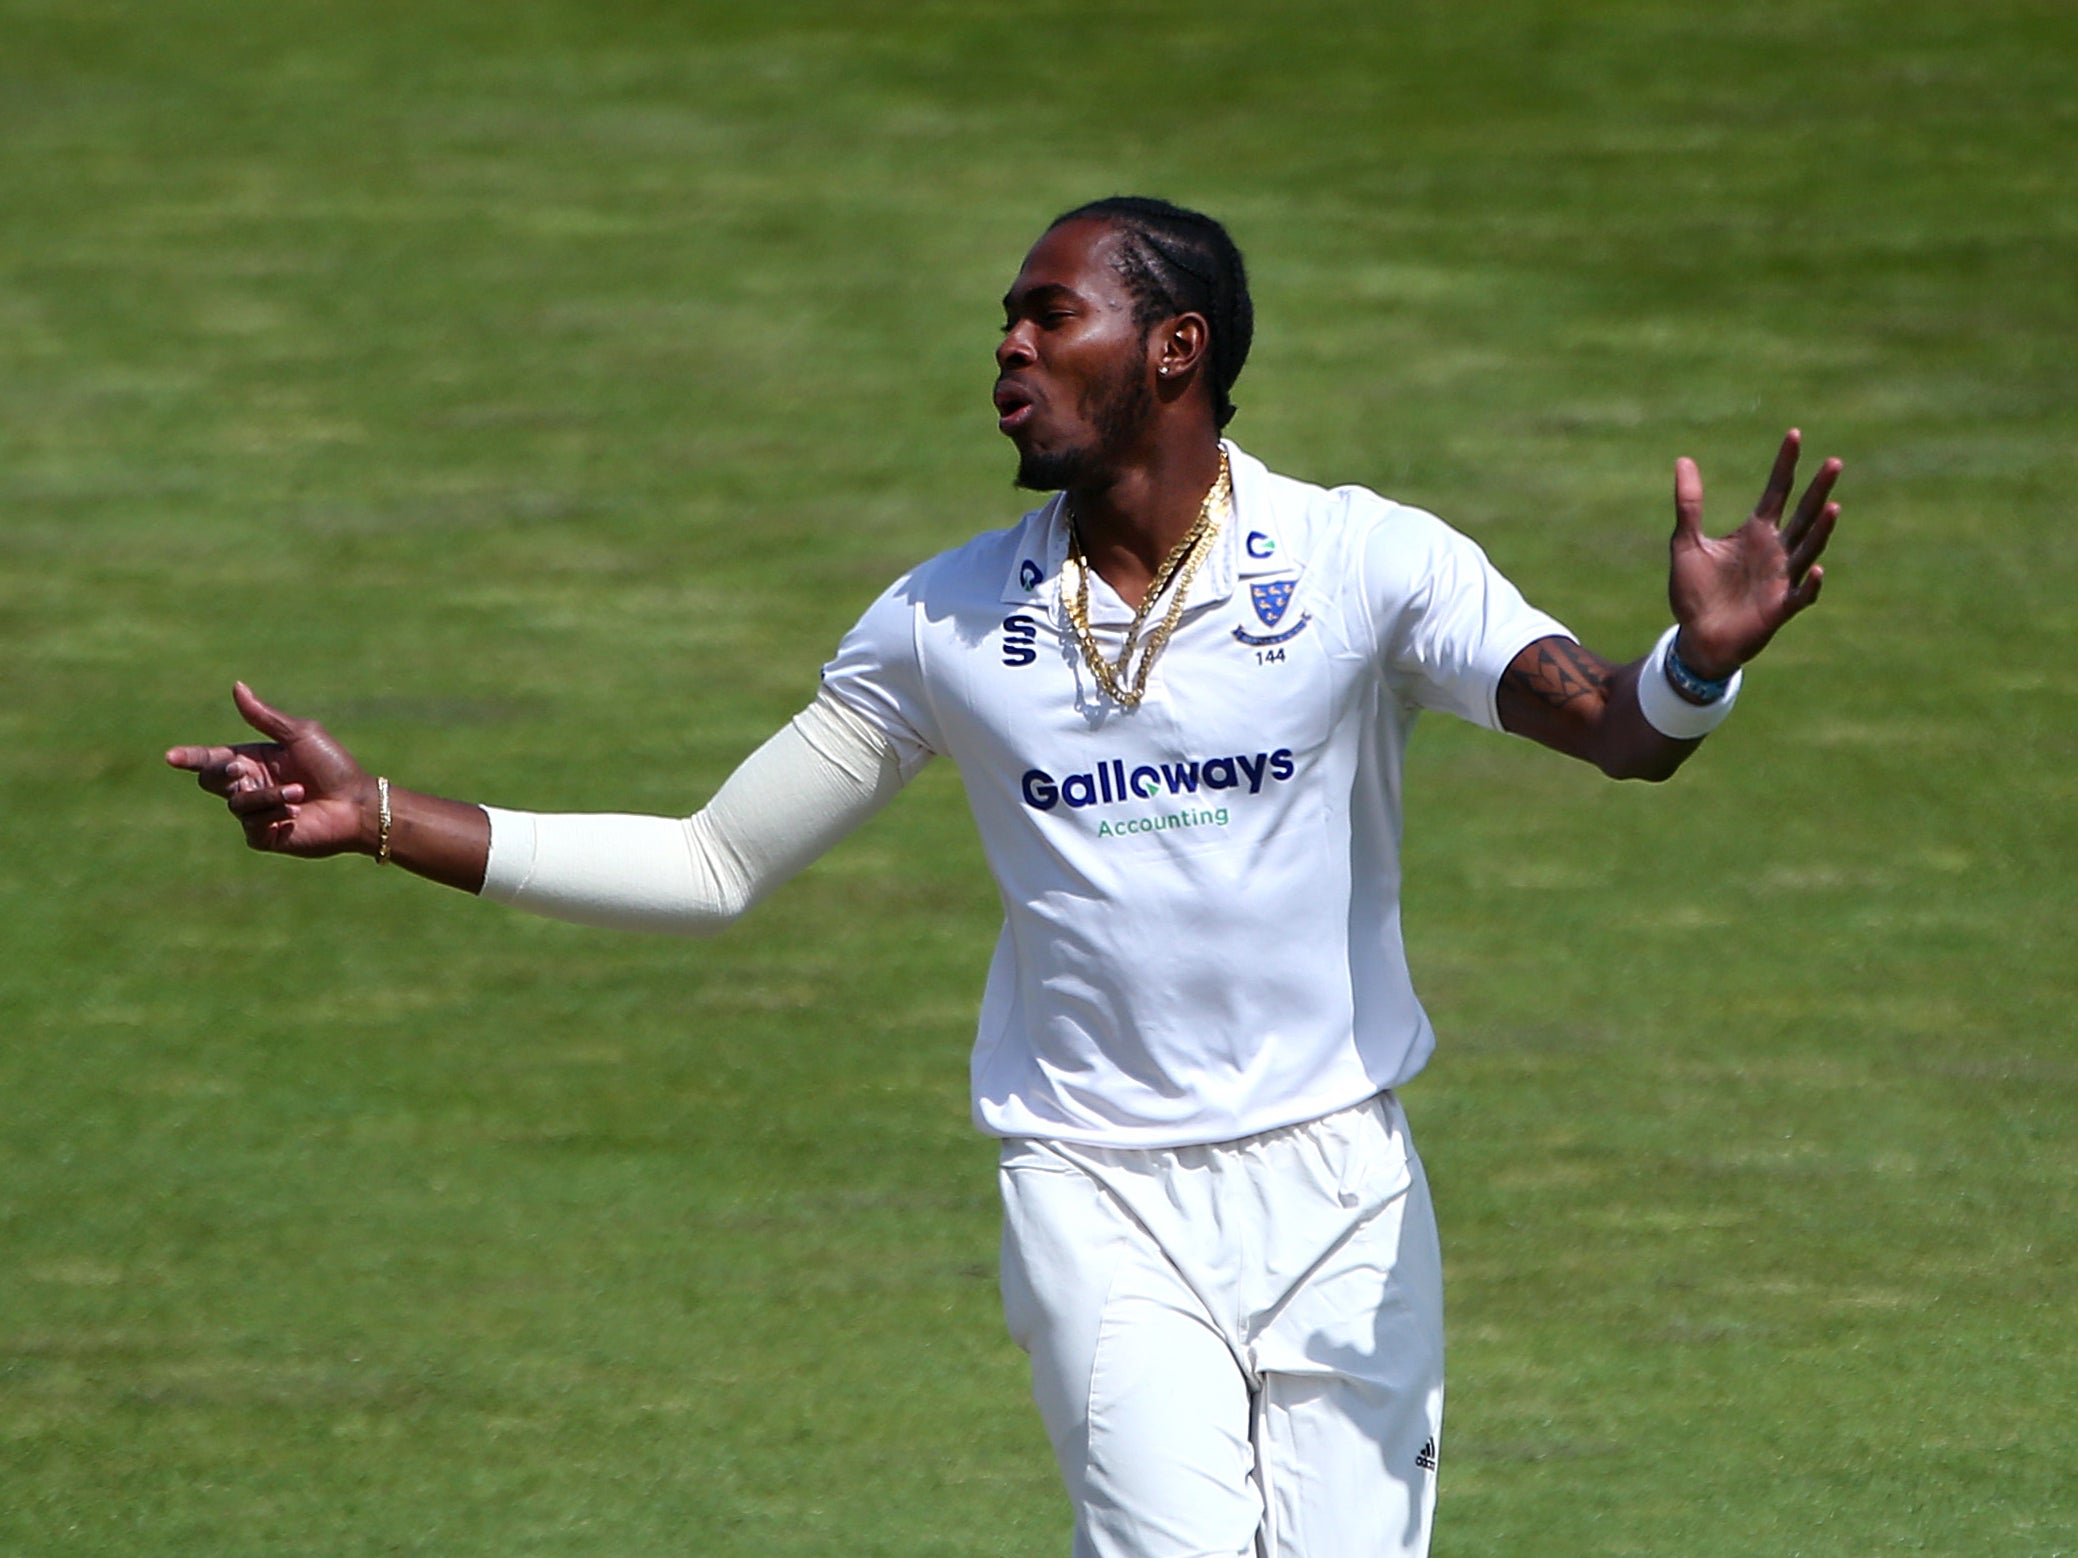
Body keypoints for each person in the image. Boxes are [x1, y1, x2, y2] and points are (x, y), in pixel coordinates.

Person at [168, 196, 1841, 1558]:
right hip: (1093, 1189)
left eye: (1053, 317)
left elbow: (1620, 732)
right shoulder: (941, 622)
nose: (1008, 349)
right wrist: (383, 811)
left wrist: (1693, 665)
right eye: (1008, 320)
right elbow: (711, 860)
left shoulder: (1360, 563)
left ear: (1173, 350)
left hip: (1341, 1190)